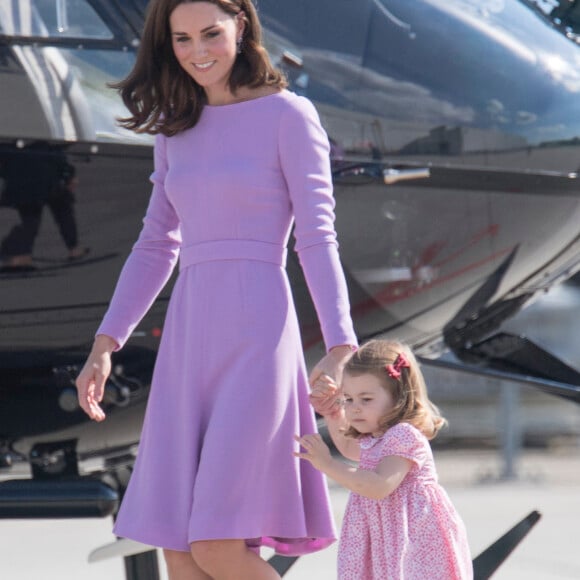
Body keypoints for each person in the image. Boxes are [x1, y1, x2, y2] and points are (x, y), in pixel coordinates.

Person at [74, 1, 357, 579]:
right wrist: (106, 343)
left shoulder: (289, 115)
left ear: (241, 27)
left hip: (258, 335)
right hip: (188, 339)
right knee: (179, 548)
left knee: (218, 546)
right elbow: (156, 243)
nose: (198, 52)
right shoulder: (175, 129)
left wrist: (339, 343)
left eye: (211, 34)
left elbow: (317, 236)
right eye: (181, 39)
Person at [296, 340, 473, 580]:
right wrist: (333, 413)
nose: (355, 408)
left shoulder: (404, 435)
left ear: (398, 395)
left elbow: (379, 485)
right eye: (348, 398)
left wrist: (327, 465)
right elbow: (349, 447)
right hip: (384, 538)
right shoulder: (375, 436)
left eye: (366, 399)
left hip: (413, 540)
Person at [0, 141, 87, 270]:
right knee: (61, 209)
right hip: (43, 178)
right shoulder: (42, 138)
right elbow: (55, 154)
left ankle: (18, 255)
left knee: (32, 217)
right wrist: (68, 174)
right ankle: (17, 255)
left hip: (21, 181)